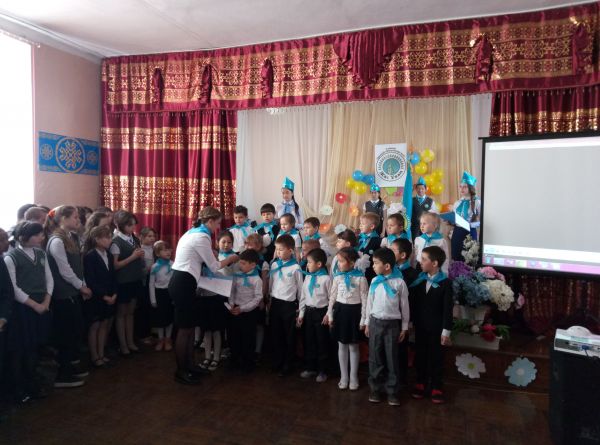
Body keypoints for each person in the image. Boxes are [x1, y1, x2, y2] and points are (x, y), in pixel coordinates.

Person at [168, 207, 238, 385]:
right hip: (183, 283)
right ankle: (181, 371)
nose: (218, 227)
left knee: (190, 326)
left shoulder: (192, 232)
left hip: (184, 281)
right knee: (184, 329)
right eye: (217, 223)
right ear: (210, 221)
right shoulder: (202, 236)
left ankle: (190, 365)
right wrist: (230, 259)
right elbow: (214, 267)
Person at [4, 222, 53, 400]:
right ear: (24, 237)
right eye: (37, 235)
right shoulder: (11, 257)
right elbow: (13, 288)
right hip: (24, 307)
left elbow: (49, 278)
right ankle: (21, 386)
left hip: (42, 303)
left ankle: (33, 382)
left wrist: (46, 300)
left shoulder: (41, 254)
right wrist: (34, 305)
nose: (41, 237)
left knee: (35, 346)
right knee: (23, 348)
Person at [45, 206, 91, 388]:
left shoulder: (71, 237)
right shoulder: (56, 241)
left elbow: (78, 266)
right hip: (63, 294)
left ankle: (70, 367)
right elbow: (65, 270)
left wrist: (82, 284)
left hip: (73, 292)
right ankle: (62, 375)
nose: (78, 220)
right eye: (75, 217)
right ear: (63, 218)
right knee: (65, 334)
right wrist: (81, 286)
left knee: (74, 331)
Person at [365, 248, 409, 406]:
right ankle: (375, 389)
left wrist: (404, 327)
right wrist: (367, 323)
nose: (373, 266)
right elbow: (369, 303)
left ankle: (392, 391)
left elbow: (404, 306)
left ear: (387, 266)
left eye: (376, 263)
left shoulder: (400, 283)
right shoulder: (374, 281)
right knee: (375, 357)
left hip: (392, 325)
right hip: (375, 322)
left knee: (392, 357)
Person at [410, 246, 452, 404]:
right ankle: (420, 381)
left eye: (424, 259)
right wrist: (410, 322)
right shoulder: (419, 280)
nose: (420, 262)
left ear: (434, 263)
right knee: (420, 354)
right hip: (420, 326)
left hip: (437, 328)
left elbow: (447, 309)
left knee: (436, 357)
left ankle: (436, 385)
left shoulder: (445, 283)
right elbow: (414, 304)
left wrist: (446, 331)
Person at [327, 247, 368, 391]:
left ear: (351, 263)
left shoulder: (361, 278)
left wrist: (363, 319)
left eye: (341, 261)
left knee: (353, 346)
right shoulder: (337, 277)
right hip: (340, 313)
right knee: (341, 345)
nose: (338, 264)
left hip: (354, 314)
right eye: (337, 261)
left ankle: (353, 376)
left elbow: (365, 300)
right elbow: (332, 297)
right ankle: (344, 376)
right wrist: (330, 314)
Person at [110, 210, 145, 356]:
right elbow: (115, 265)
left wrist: (140, 257)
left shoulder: (133, 238)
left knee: (130, 313)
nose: (132, 228)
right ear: (120, 225)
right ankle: (123, 345)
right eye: (129, 225)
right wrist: (133, 257)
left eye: (133, 224)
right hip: (123, 282)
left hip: (135, 280)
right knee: (121, 314)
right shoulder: (115, 241)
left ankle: (130, 342)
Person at [198, 231, 235, 371]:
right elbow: (197, 291)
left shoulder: (220, 273)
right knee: (207, 331)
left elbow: (226, 288)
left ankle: (216, 357)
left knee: (217, 331)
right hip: (204, 303)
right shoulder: (200, 273)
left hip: (217, 303)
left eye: (215, 257)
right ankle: (207, 356)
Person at [83, 226, 117, 368]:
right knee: (95, 326)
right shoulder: (90, 256)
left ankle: (102, 354)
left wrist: (114, 293)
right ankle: (95, 356)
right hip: (96, 297)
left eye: (110, 237)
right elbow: (91, 280)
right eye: (106, 238)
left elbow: (113, 276)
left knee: (104, 325)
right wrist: (104, 296)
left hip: (109, 295)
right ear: (97, 239)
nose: (109, 240)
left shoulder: (108, 255)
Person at [269, 234, 303, 377]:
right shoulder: (274, 265)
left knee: (289, 335)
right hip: (275, 303)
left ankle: (288, 364)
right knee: (276, 334)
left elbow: (300, 290)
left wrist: (300, 309)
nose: (278, 252)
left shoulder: (296, 268)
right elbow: (271, 284)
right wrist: (269, 301)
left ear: (290, 250)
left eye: (281, 249)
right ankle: (278, 361)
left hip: (289, 305)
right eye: (276, 249)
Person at [297, 248, 331, 383]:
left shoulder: (326, 279)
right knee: (309, 340)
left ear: (319, 264)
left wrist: (328, 314)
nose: (307, 265)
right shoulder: (308, 277)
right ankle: (310, 367)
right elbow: (303, 296)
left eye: (309, 262)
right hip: (309, 312)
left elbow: (331, 299)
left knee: (321, 341)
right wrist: (301, 313)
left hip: (321, 313)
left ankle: (322, 370)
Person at [390, 237, 418, 386]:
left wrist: (409, 322)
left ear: (402, 255)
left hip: (403, 319)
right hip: (389, 316)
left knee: (401, 348)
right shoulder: (388, 271)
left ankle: (400, 380)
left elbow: (413, 300)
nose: (389, 253)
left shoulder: (412, 274)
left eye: (393, 250)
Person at [229, 249, 262, 373]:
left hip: (249, 313)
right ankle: (235, 361)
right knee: (234, 337)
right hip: (235, 310)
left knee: (248, 339)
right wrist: (231, 304)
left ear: (253, 265)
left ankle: (247, 364)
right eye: (240, 262)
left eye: (243, 263)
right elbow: (232, 292)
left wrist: (242, 308)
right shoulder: (237, 275)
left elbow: (258, 298)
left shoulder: (257, 279)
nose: (240, 265)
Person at [244, 233, 269, 359]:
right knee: (248, 325)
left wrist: (261, 299)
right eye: (246, 244)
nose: (248, 247)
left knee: (259, 324)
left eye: (250, 245)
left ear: (259, 246)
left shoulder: (263, 263)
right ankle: (247, 349)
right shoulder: (243, 260)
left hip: (258, 298)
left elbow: (265, 283)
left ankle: (257, 350)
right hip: (246, 298)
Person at [149, 241, 174, 352]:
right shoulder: (154, 267)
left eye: (169, 249)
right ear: (157, 253)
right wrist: (153, 299)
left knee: (169, 317)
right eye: (164, 250)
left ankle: (168, 339)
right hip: (159, 294)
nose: (168, 252)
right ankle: (160, 339)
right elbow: (151, 284)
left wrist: (174, 296)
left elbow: (175, 282)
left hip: (170, 293)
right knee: (160, 319)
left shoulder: (173, 264)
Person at [451, 171, 481, 261]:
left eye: (465, 187)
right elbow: (455, 219)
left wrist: (470, 224)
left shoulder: (477, 202)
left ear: (470, 187)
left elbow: (481, 221)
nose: (462, 189)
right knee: (456, 257)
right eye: (460, 187)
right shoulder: (457, 203)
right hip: (457, 232)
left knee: (470, 258)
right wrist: (450, 220)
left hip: (470, 232)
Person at [138, 226, 158, 344]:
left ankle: (150, 332)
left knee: (151, 308)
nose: (152, 238)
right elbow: (139, 271)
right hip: (144, 283)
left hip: (155, 283)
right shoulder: (140, 250)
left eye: (153, 236)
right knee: (143, 309)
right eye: (149, 236)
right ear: (142, 237)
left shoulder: (155, 250)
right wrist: (149, 269)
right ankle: (143, 335)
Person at [411, 177, 438, 242]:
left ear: (425, 189)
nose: (420, 190)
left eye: (422, 189)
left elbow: (435, 213)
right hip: (415, 227)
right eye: (418, 188)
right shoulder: (411, 200)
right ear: (416, 189)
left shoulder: (430, 201)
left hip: (427, 227)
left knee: (427, 243)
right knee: (416, 243)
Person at [357, 212, 382, 283]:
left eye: (363, 224)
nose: (360, 226)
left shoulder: (377, 240)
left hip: (370, 271)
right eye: (360, 223)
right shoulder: (359, 238)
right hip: (358, 269)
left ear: (372, 226)